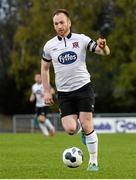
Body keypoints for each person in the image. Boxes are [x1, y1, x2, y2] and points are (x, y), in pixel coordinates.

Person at [41, 9, 110, 171]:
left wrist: (104, 47)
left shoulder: (81, 39)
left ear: (69, 23)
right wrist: (46, 90)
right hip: (64, 93)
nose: (59, 26)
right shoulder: (50, 45)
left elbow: (104, 52)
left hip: (84, 88)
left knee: (87, 124)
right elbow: (44, 68)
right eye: (56, 24)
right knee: (70, 129)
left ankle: (93, 162)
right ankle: (82, 132)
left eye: (62, 22)